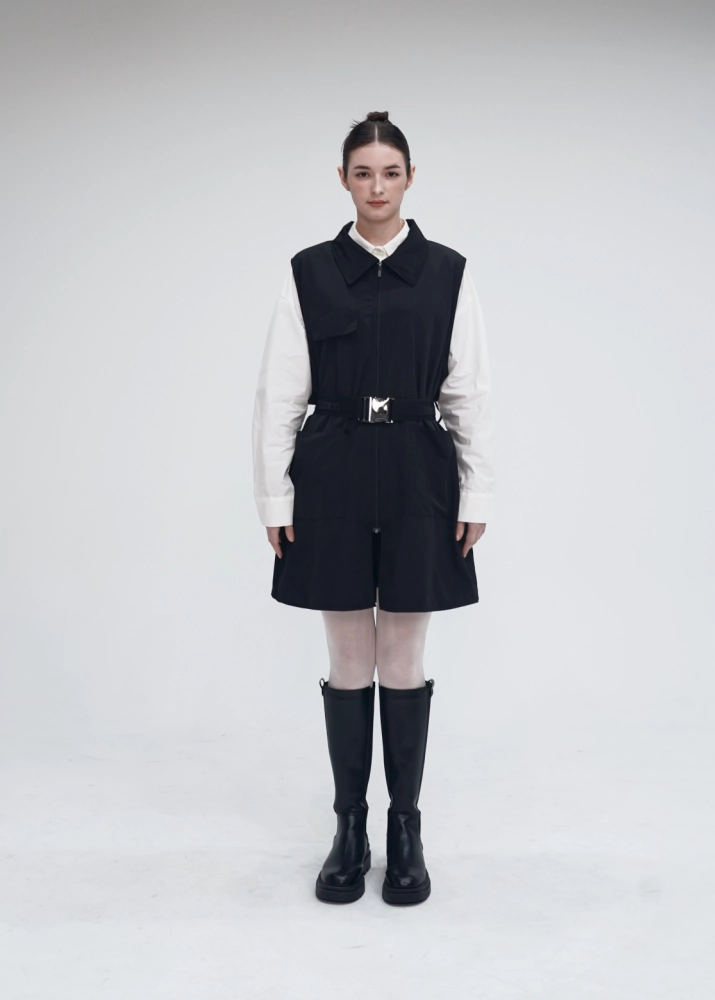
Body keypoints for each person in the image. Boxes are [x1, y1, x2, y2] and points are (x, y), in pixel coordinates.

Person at [252, 111, 495, 905]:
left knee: (404, 656)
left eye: (391, 173)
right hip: (333, 473)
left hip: (421, 473)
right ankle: (349, 830)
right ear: (344, 180)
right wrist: (274, 493)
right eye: (363, 173)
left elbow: (469, 392)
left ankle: (406, 830)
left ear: (410, 179)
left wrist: (477, 488)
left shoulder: (448, 273)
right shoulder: (309, 273)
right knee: (349, 656)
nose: (378, 187)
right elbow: (279, 392)